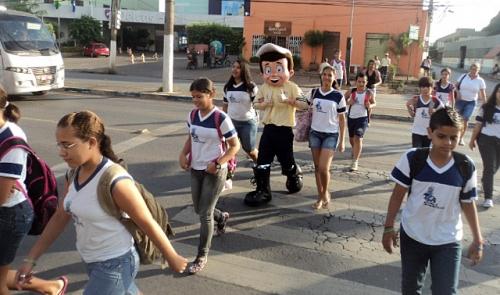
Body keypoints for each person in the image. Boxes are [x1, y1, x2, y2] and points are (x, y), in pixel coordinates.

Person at [17, 110, 187, 294]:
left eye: (67, 145)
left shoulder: (115, 181)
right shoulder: (73, 174)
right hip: (91, 261)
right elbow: (60, 216)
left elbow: (146, 221)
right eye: (59, 145)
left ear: (91, 142)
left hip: (116, 264)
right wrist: (30, 259)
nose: (61, 152)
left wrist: (171, 256)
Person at [383, 107, 484, 295]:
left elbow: (468, 204)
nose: (447, 142)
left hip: (448, 240)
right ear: (430, 133)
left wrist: (478, 239)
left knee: (446, 291)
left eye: (453, 137)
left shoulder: (465, 166)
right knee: (411, 289)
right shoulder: (413, 158)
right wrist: (389, 227)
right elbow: (397, 195)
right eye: (441, 136)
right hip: (413, 236)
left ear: (460, 135)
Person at [0, 87, 68, 295]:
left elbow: (1, 197)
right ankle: (50, 287)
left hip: (9, 215)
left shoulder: (12, 142)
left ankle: (50, 287)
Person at [179, 78, 240, 274]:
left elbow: (234, 146)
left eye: (199, 96)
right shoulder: (193, 115)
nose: (195, 100)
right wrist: (183, 154)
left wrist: (218, 163)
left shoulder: (220, 118)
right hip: (196, 169)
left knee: (204, 214)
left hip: (215, 171)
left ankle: (201, 255)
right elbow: (191, 137)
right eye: (193, 97)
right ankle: (221, 217)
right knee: (199, 208)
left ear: (211, 94)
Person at [244, 43, 308, 207]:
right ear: (262, 73)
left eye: (279, 69)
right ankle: (263, 191)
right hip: (269, 129)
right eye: (268, 69)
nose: (273, 74)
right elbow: (255, 105)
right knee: (263, 160)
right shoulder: (264, 88)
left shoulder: (292, 87)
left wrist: (290, 101)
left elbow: (305, 105)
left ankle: (293, 173)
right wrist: (264, 103)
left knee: (286, 160)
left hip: (285, 130)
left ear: (290, 72)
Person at [309, 63, 346, 209]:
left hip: (331, 134)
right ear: (321, 76)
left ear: (334, 78)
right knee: (317, 167)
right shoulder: (313, 93)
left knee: (324, 168)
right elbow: (303, 107)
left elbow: (342, 120)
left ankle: (325, 193)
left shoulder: (338, 96)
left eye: (330, 75)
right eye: (324, 74)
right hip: (315, 133)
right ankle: (320, 196)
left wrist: (342, 141)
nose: (326, 77)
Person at [469, 83, 500, 208]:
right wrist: (472, 140)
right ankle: (488, 197)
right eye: (499, 91)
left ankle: (484, 182)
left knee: (494, 167)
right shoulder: (486, 107)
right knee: (489, 167)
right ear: (495, 93)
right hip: (486, 140)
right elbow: (477, 125)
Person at [222, 60, 259, 163]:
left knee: (249, 150)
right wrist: (222, 122)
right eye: (233, 67)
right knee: (229, 149)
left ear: (243, 70)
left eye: (238, 67)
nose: (235, 69)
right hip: (231, 123)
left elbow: (257, 104)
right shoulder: (227, 87)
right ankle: (228, 172)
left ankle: (260, 167)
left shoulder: (251, 87)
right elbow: (225, 105)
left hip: (248, 123)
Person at [345, 72, 376, 172]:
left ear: (366, 82)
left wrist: (369, 106)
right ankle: (355, 150)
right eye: (359, 82)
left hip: (362, 118)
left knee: (358, 138)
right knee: (351, 140)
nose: (361, 84)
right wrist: (348, 102)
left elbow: (374, 103)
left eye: (363, 82)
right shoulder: (351, 91)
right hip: (351, 118)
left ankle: (355, 161)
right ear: (356, 82)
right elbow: (342, 100)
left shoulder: (368, 93)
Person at [406, 77, 444, 148]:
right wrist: (408, 106)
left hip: (430, 133)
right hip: (417, 131)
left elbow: (444, 114)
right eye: (423, 86)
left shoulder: (435, 100)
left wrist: (435, 112)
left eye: (428, 86)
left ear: (432, 88)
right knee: (417, 152)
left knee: (426, 153)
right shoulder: (416, 99)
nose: (425, 89)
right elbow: (412, 115)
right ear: (420, 88)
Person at [455, 62, 487, 146]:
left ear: (478, 70)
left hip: (471, 102)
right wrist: (457, 92)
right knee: (456, 119)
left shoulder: (480, 80)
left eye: (476, 69)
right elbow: (455, 86)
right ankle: (454, 135)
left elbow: (483, 94)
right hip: (460, 101)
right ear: (470, 69)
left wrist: (486, 105)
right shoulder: (463, 76)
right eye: (473, 69)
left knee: (465, 119)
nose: (474, 71)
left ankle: (461, 138)